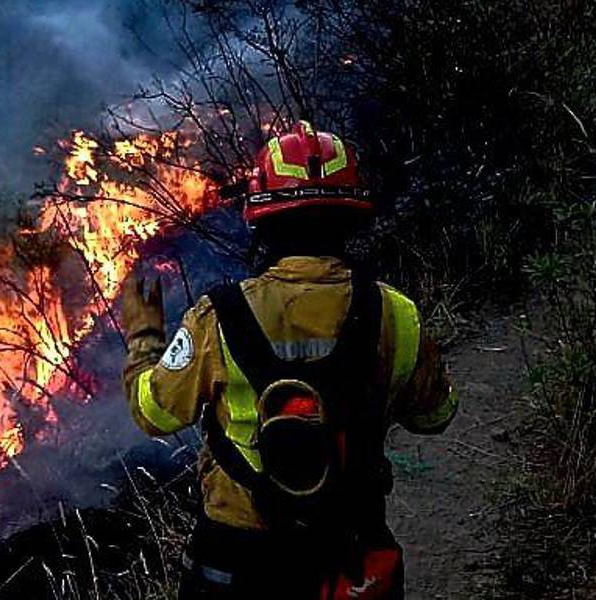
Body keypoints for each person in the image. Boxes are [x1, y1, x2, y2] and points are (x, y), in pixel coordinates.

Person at [121, 121, 456, 599]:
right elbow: (436, 415)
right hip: (349, 551)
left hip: (238, 559)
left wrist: (144, 336)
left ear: (260, 219)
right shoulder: (396, 315)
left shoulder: (217, 318)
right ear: (353, 219)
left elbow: (154, 413)